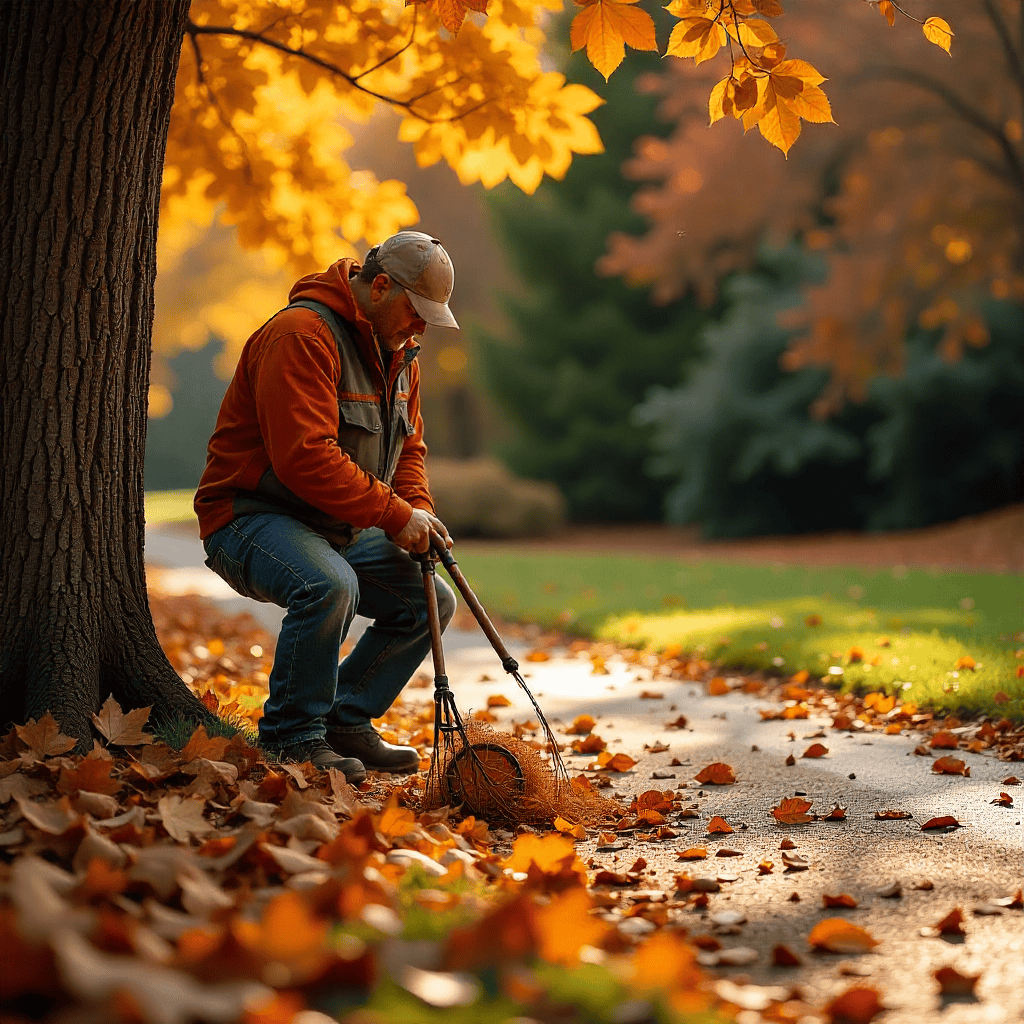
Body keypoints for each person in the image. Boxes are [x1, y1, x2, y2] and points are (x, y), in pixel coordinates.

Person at [194, 231, 459, 784]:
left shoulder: (402, 355)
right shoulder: (302, 335)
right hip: (249, 516)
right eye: (416, 312)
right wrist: (392, 516)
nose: (422, 328)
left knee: (429, 599)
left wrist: (418, 513)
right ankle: (292, 737)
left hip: (332, 525)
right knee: (329, 584)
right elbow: (305, 459)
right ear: (380, 286)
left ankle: (345, 721)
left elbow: (408, 449)